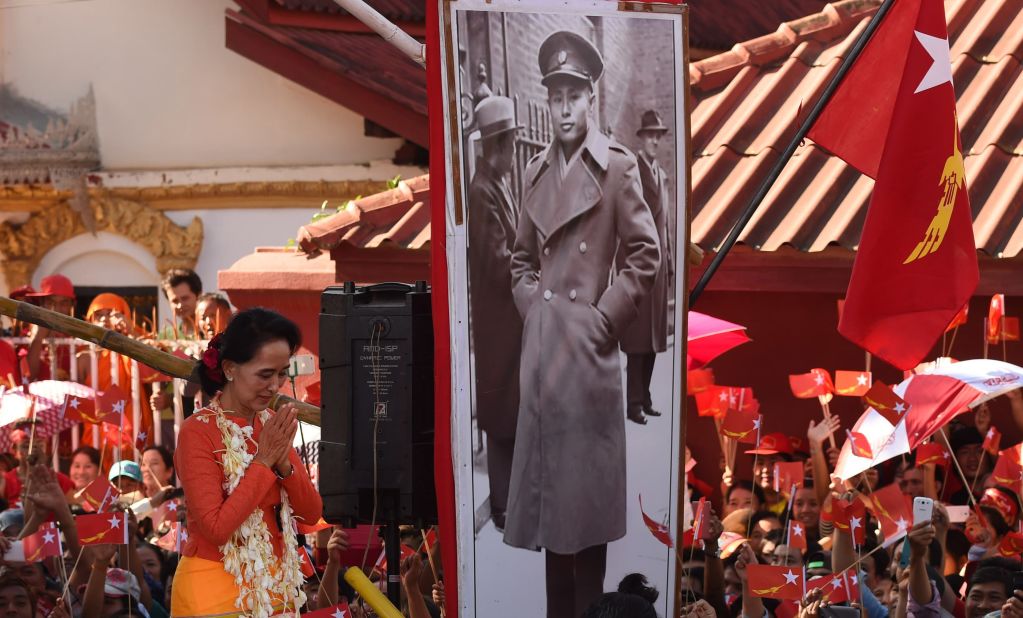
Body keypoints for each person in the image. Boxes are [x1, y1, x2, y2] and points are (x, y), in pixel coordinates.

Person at [505, 29, 659, 618]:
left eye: (574, 94)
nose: (564, 106)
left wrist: (602, 319)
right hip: (543, 362)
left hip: (589, 367)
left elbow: (646, 253)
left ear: (591, 97)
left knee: (584, 522)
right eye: (555, 95)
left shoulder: (617, 167)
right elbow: (520, 259)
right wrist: (534, 310)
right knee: (550, 522)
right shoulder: (536, 171)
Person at [171, 308, 322, 616]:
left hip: (275, 590)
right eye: (265, 374)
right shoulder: (197, 431)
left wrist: (284, 466)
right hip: (212, 592)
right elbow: (216, 528)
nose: (274, 386)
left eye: (281, 373)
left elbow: (311, 514)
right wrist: (264, 461)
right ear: (229, 369)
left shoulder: (270, 425)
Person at [467, 95, 523, 532]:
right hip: (499, 329)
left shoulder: (494, 184)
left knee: (511, 417)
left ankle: (511, 503)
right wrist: (532, 264)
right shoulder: (482, 190)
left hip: (508, 327)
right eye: (511, 144)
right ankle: (504, 506)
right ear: (499, 145)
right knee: (503, 420)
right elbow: (495, 259)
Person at [618, 109, 672, 426]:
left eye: (658, 135)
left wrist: (670, 261)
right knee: (638, 341)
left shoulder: (660, 174)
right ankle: (633, 404)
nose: (654, 140)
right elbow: (625, 221)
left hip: (659, 268)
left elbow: (665, 225)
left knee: (652, 340)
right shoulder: (633, 172)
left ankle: (646, 397)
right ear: (641, 138)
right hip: (639, 265)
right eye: (649, 134)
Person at [24, 274, 76, 382]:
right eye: (51, 302)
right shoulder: (26, 333)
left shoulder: (79, 335)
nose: (56, 309)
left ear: (71, 306)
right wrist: (38, 338)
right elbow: (28, 377)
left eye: (64, 303)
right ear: (41, 304)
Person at [160, 269, 202, 338]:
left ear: (198, 296)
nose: (180, 305)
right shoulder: (165, 336)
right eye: (175, 301)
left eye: (185, 298)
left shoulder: (214, 334)